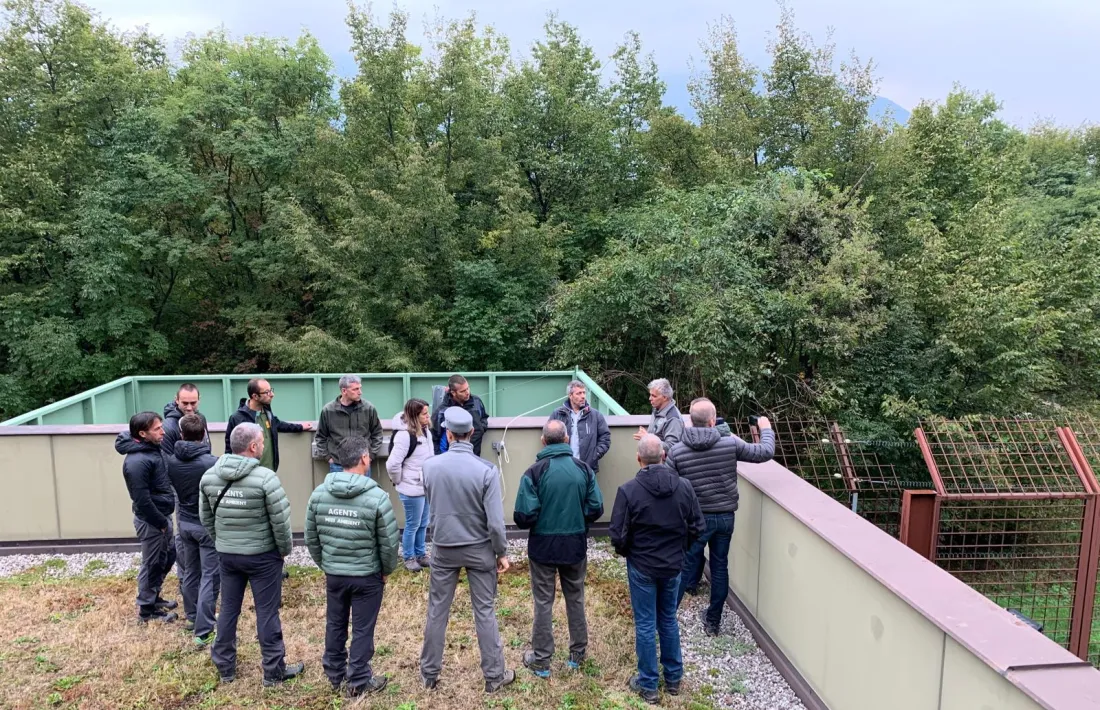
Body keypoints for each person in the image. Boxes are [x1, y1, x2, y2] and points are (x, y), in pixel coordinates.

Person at [419, 407, 515, 693]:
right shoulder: (486, 470)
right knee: (484, 611)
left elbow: (432, 503)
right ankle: (494, 676)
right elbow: (496, 523)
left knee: (437, 611)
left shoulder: (430, 467)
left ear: (447, 434)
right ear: (472, 434)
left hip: (444, 547)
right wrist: (501, 552)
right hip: (479, 549)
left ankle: (429, 674)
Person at [200, 422, 303, 687]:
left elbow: (206, 518)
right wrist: (283, 551)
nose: (264, 447)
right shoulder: (266, 478)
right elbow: (280, 521)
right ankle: (273, 671)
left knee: (228, 611)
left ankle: (225, 667)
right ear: (254, 446)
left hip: (227, 554)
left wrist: (222, 541)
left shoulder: (209, 476)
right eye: (262, 442)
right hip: (262, 556)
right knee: (267, 613)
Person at [610, 435, 705, 705]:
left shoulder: (629, 490)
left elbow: (617, 535)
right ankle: (673, 678)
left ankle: (649, 684)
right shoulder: (684, 487)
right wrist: (681, 550)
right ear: (664, 456)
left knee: (645, 623)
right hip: (673, 564)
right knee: (668, 619)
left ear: (638, 459)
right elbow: (698, 527)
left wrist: (630, 552)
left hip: (642, 565)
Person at [668, 400, 775, 634]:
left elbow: (668, 485)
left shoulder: (676, 451)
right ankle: (713, 622)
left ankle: (667, 620)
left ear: (690, 421)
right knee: (719, 567)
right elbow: (765, 452)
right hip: (725, 518)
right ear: (712, 421)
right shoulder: (730, 444)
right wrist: (765, 428)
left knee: (684, 567)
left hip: (695, 521)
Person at [305, 436, 399, 697]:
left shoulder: (318, 494)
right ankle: (358, 680)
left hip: (335, 574)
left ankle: (335, 674)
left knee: (335, 623)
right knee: (362, 628)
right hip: (367, 576)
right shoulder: (377, 497)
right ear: (364, 459)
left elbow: (311, 538)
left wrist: (327, 564)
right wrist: (385, 570)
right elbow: (389, 543)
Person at [513, 420, 604, 678]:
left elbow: (523, 516)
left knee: (543, 601)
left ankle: (541, 660)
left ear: (543, 441)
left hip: (542, 545)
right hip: (575, 543)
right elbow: (596, 508)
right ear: (566, 440)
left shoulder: (533, 472)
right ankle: (577, 653)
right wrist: (577, 517)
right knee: (575, 597)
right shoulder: (584, 469)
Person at [116, 411, 178, 624]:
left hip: (162, 517)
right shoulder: (137, 461)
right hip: (152, 521)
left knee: (167, 556)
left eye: (161, 426)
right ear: (142, 433)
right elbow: (141, 499)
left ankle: (154, 597)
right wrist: (160, 522)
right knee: (151, 563)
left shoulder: (152, 449)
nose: (163, 431)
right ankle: (146, 610)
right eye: (157, 429)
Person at [167, 413, 220, 645]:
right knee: (210, 575)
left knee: (191, 571)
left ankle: (192, 615)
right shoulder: (212, 463)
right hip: (206, 525)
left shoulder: (171, 461)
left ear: (181, 434)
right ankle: (204, 627)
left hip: (185, 523)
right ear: (204, 435)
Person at [385, 398, 434, 572]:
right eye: (424, 414)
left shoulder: (426, 431)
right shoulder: (404, 436)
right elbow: (392, 464)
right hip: (411, 488)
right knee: (413, 524)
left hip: (425, 486)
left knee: (423, 523)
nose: (428, 416)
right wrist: (399, 480)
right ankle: (409, 557)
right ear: (414, 416)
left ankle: (421, 554)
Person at [225, 378, 313, 473]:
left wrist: (300, 427)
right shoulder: (237, 418)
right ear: (255, 396)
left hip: (269, 471)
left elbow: (277, 424)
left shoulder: (267, 412)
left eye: (271, 390)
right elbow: (229, 449)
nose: (272, 395)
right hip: (249, 474)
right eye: (267, 392)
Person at [315, 375, 383, 473]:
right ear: (344, 391)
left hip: (362, 464)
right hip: (338, 465)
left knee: (363, 489)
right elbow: (320, 437)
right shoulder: (328, 410)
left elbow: (377, 433)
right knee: (339, 489)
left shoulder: (368, 408)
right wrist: (328, 458)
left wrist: (371, 456)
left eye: (360, 388)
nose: (360, 392)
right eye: (355, 389)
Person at [548, 380, 611, 473]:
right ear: (570, 395)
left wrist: (595, 455)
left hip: (587, 467)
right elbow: (548, 436)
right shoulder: (558, 414)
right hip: (562, 467)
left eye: (584, 393)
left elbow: (605, 438)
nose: (583, 396)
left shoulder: (595, 415)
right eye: (579, 393)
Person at [431, 375, 489, 456]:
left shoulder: (476, 401)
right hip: (451, 459)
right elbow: (434, 438)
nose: (467, 392)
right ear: (453, 393)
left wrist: (481, 428)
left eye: (468, 388)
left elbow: (484, 418)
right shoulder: (442, 411)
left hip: (474, 456)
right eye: (462, 391)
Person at [633, 378, 684, 453]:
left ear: (664, 397)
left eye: (654, 396)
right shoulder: (657, 409)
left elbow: (672, 447)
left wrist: (648, 438)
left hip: (666, 464)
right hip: (655, 460)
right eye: (650, 395)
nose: (650, 398)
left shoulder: (673, 419)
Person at [161, 383, 209, 455]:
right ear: (176, 400)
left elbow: (207, 446)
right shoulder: (168, 427)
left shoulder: (201, 418)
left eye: (193, 403)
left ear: (199, 400)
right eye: (185, 403)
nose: (189, 408)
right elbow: (167, 460)